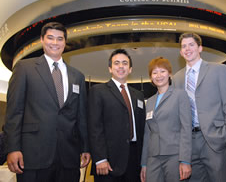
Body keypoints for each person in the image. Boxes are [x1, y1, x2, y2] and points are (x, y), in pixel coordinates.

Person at [3, 22, 90, 182]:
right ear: (42, 40)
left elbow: (81, 115)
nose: (55, 43)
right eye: (50, 38)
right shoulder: (24, 68)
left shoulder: (77, 76)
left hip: (68, 156)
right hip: (33, 155)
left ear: (65, 42)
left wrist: (85, 147)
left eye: (60, 39)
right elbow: (14, 112)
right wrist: (13, 148)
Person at [173, 32, 226, 182]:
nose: (187, 49)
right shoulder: (176, 78)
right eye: (184, 46)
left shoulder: (218, 69)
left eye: (191, 45)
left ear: (200, 48)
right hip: (190, 144)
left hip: (216, 140)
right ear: (181, 52)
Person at [88, 49, 146, 182]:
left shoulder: (138, 95)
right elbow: (94, 127)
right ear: (110, 68)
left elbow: (142, 129)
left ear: (130, 69)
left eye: (125, 63)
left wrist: (144, 162)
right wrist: (100, 158)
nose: (121, 66)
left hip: (134, 159)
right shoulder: (98, 91)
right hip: (109, 161)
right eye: (117, 63)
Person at [140, 57, 192, 182]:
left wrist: (185, 160)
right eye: (154, 72)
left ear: (169, 73)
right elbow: (147, 134)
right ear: (151, 77)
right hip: (153, 157)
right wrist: (144, 164)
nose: (159, 75)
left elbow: (186, 129)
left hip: (174, 155)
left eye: (162, 71)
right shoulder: (150, 101)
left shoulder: (180, 95)